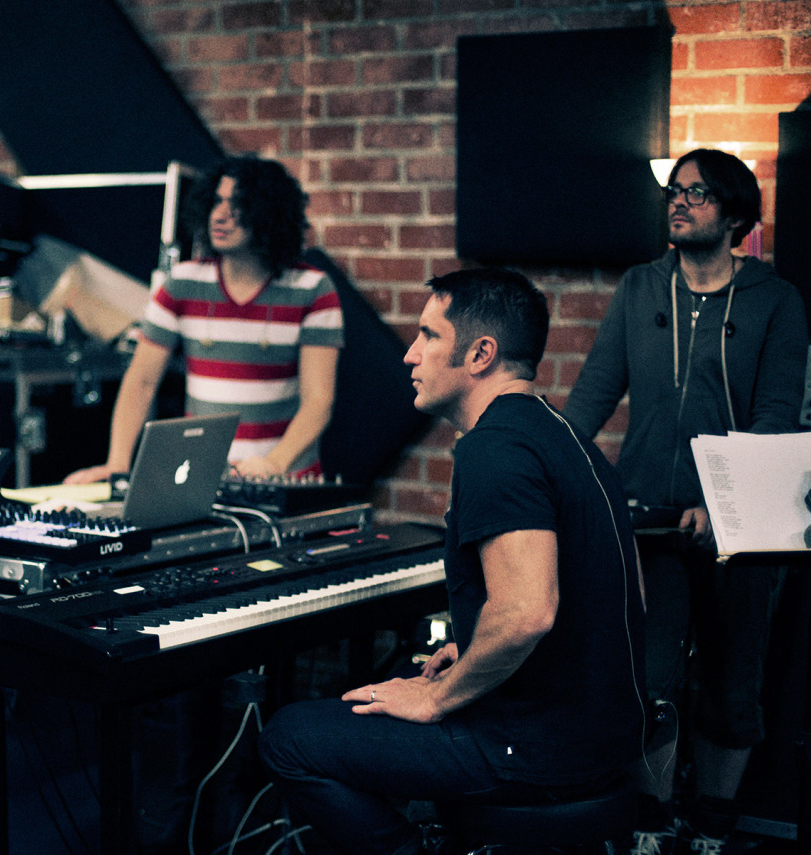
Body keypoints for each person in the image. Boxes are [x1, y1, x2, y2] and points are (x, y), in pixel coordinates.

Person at [259, 268, 647, 855]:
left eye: (428, 336)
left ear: (481, 353)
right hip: (603, 741)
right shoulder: (564, 435)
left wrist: (440, 697)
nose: (410, 354)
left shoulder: (495, 448)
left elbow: (526, 614)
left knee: (290, 737)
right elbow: (622, 598)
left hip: (536, 751)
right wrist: (472, 655)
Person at [563, 149, 808, 854]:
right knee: (652, 680)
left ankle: (712, 823)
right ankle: (650, 819)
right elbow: (592, 395)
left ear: (734, 215)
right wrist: (545, 463)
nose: (679, 201)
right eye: (675, 191)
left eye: (697, 193)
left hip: (743, 524)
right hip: (649, 520)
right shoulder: (641, 289)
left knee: (735, 682)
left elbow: (775, 416)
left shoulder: (777, 301)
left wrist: (717, 500)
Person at [64, 153, 343, 484]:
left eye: (237, 205)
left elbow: (318, 399)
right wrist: (118, 463)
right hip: (201, 479)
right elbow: (142, 380)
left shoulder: (313, 289)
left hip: (285, 480)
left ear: (268, 213)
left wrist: (273, 464)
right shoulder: (182, 283)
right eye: (216, 202)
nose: (220, 216)